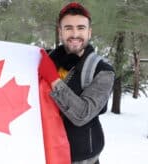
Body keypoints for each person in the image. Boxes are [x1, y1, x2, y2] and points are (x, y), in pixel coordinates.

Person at [39, 2, 115, 164]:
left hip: (79, 158)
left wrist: (53, 79)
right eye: (68, 28)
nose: (75, 34)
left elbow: (82, 114)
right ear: (60, 32)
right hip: (44, 153)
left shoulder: (103, 71)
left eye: (81, 28)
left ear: (89, 32)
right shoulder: (44, 60)